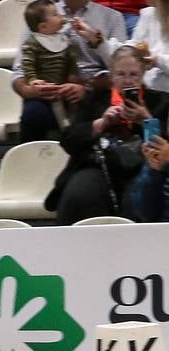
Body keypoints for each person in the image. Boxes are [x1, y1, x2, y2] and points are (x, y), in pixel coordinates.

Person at [11, 0, 125, 142]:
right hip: (50, 91)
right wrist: (29, 90)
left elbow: (121, 72)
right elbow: (19, 72)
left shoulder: (112, 18)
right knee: (32, 114)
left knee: (112, 113)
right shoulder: (39, 16)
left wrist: (87, 87)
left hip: (94, 92)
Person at [46, 46, 167, 223]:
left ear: (142, 74)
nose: (127, 80)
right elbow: (68, 141)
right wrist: (101, 123)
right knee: (81, 194)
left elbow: (164, 146)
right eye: (121, 74)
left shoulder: (161, 101)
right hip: (97, 165)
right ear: (111, 75)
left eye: (133, 74)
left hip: (144, 167)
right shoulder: (94, 99)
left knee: (138, 200)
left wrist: (145, 120)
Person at [108, 0, 169, 93]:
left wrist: (157, 60)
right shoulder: (148, 15)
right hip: (149, 93)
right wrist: (97, 41)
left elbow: (153, 58)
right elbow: (131, 49)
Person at [20, 0, 82, 129]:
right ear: (43, 26)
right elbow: (27, 63)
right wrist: (32, 80)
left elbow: (71, 59)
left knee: (74, 112)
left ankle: (69, 129)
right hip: (43, 89)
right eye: (55, 14)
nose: (60, 16)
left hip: (64, 88)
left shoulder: (64, 39)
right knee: (36, 112)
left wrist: (73, 74)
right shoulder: (33, 42)